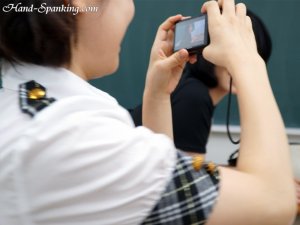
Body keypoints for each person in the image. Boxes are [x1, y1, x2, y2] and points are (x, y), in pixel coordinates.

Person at [0, 0, 296, 225]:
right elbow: (273, 202)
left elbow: (156, 194)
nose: (131, 8)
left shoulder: (36, 102)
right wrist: (247, 61)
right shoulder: (70, 135)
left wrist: (156, 96)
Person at [130, 9, 272, 159]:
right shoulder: (195, 97)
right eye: (235, 54)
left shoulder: (190, 89)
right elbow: (188, 179)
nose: (241, 65)